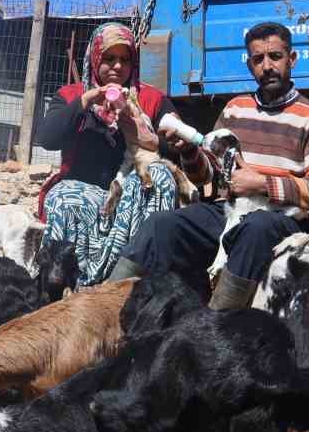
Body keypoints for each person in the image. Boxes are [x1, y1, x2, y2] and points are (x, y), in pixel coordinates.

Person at [110, 21, 309, 310]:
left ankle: (216, 323)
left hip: (281, 218)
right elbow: (209, 178)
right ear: (250, 65)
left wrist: (261, 185)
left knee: (256, 228)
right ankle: (105, 314)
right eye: (258, 59)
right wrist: (190, 153)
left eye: (275, 57)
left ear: (291, 60)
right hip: (230, 210)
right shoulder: (235, 109)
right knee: (161, 225)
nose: (267, 66)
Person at [34, 22, 193, 287]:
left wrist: (148, 135)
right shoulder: (71, 95)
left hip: (133, 199)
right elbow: (47, 138)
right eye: (109, 59)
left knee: (160, 175)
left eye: (125, 59)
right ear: (95, 59)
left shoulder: (152, 100)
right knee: (63, 195)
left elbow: (180, 146)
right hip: (86, 195)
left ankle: (143, 281)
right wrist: (86, 101)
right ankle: (68, 285)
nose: (118, 67)